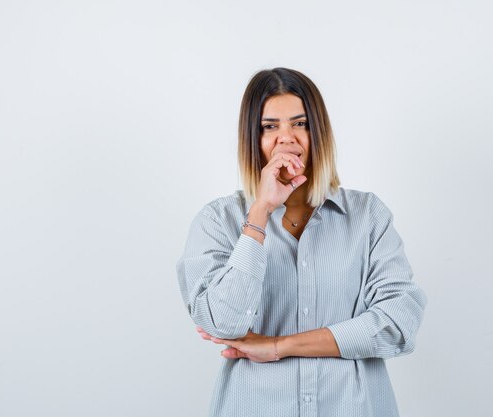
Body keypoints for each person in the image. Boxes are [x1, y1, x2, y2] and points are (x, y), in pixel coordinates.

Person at [176, 67, 427, 417]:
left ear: (318, 133)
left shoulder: (368, 215)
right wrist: (260, 211)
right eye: (269, 126)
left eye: (300, 123)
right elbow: (222, 323)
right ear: (253, 138)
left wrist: (279, 346)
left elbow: (398, 325)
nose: (287, 138)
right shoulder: (218, 220)